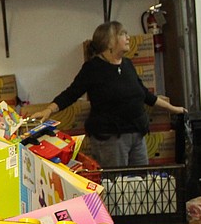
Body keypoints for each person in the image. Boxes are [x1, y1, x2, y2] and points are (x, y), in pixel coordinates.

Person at [30, 21, 185, 168]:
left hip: (137, 135)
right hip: (111, 139)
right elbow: (71, 93)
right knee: (117, 187)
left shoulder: (127, 64)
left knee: (141, 184)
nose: (128, 37)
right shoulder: (93, 68)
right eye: (123, 34)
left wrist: (173, 109)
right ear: (109, 41)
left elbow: (144, 94)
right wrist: (48, 110)